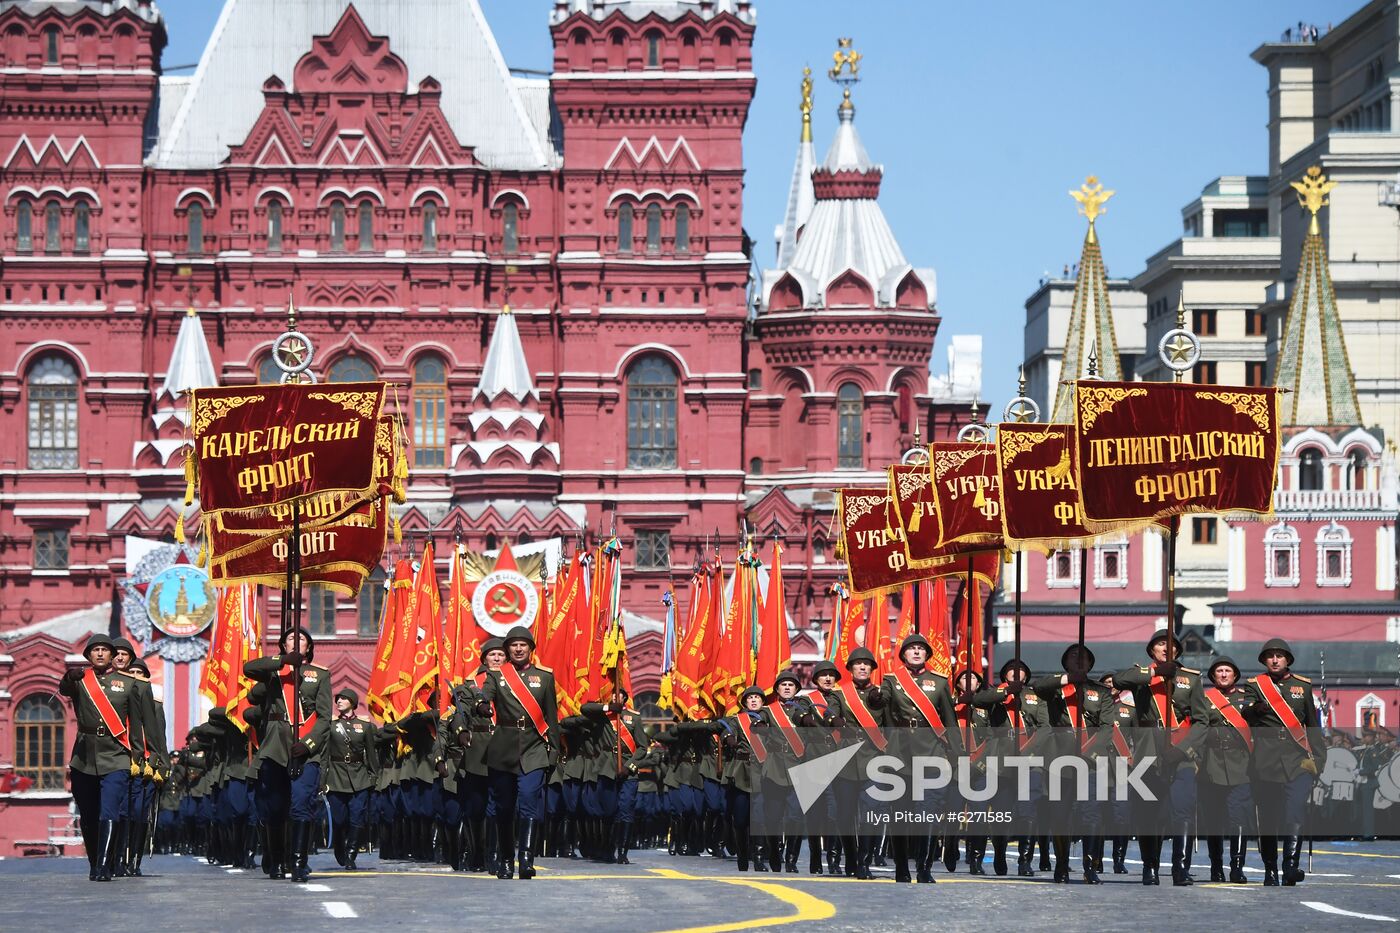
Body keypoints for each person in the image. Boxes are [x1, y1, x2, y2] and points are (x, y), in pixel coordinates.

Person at [1115, 629, 1208, 886]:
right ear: (1152, 651)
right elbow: (1120, 680)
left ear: (1177, 651)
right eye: (1159, 645)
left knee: (1183, 809)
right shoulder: (1141, 676)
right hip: (1148, 752)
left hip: (1181, 753)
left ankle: (1179, 868)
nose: (1166, 649)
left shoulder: (1191, 679)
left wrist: (1185, 749)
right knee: (1148, 813)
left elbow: (1203, 721)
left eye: (1170, 645)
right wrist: (1156, 673)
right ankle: (1150, 866)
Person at [243, 626, 333, 883]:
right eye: (290, 639)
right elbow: (248, 668)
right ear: (283, 646)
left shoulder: (320, 675)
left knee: (301, 804)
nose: (296, 641)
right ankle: (278, 860)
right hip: (274, 746)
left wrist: (309, 744)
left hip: (305, 748)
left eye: (302, 639)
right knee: (274, 807)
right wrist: (283, 662)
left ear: (309, 647)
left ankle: (298, 862)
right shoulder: (273, 672)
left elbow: (325, 717)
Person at [872, 632, 960, 883]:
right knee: (900, 813)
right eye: (912, 649)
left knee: (928, 812)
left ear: (927, 655)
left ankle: (924, 868)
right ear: (903, 654)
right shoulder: (891, 680)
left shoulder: (940, 682)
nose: (917, 652)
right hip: (900, 753)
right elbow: (881, 700)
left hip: (932, 752)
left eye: (922, 649)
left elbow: (950, 721)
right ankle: (902, 867)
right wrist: (876, 697)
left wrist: (957, 753)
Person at [477, 624, 558, 880]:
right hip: (503, 749)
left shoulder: (544, 677)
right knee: (504, 808)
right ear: (508, 649)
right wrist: (481, 706)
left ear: (531, 649)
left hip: (534, 749)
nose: (519, 648)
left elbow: (552, 717)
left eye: (524, 644)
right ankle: (504, 860)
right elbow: (485, 696)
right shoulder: (496, 676)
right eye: (514, 645)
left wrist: (554, 751)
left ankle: (526, 860)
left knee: (529, 803)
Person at [59, 633, 142, 882]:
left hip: (116, 755)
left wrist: (138, 757)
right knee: (88, 813)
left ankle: (105, 865)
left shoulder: (128, 684)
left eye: (104, 650)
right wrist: (68, 677)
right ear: (88, 655)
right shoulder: (81, 680)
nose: (100, 654)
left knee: (109, 810)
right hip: (84, 757)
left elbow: (136, 724)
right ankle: (95, 861)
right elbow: (63, 690)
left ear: (111, 654)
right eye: (94, 650)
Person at [1248, 637, 1325, 886]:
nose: (1274, 659)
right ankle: (1270, 870)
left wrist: (1319, 763)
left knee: (1295, 812)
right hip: (1265, 760)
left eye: (1279, 655)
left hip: (1297, 760)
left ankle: (1290, 866)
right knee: (1269, 819)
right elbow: (1243, 713)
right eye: (1270, 656)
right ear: (1264, 660)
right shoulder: (1255, 685)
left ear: (1287, 659)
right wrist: (1253, 710)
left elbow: (1313, 727)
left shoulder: (1302, 686)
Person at [1032, 644, 1110, 884]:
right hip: (1059, 759)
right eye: (1074, 657)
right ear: (1065, 663)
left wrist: (1092, 753)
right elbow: (1038, 686)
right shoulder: (1056, 688)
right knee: (1059, 814)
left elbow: (1107, 727)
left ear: (1090, 664)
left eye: (1084, 657)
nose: (1079, 660)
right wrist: (1067, 679)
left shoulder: (1100, 691)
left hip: (1090, 760)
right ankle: (1061, 865)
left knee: (1091, 813)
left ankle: (1089, 866)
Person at [974, 657, 1049, 876]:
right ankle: (999, 854)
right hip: (1001, 761)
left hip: (1030, 759)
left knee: (1027, 811)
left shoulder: (1036, 696)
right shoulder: (997, 695)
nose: (1016, 674)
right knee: (1001, 813)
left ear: (1027, 675)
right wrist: (1005, 692)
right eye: (1011, 671)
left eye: (1020, 671)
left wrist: (1028, 749)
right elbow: (979, 700)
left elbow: (1044, 727)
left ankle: (1025, 862)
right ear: (1004, 675)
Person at [1198, 656, 1260, 883]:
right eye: (1219, 671)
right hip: (1210, 764)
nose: (1223, 674)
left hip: (1241, 766)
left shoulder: (1247, 700)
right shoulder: (1204, 699)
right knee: (1213, 821)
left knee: (1239, 818)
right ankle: (1216, 866)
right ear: (1213, 676)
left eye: (1227, 671)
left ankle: (1236, 866)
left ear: (1235, 675)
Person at [325, 688, 378, 871]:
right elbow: (325, 754)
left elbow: (371, 754)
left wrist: (373, 777)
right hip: (336, 776)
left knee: (357, 816)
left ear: (353, 703)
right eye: (338, 699)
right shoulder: (331, 725)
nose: (339, 701)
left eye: (343, 699)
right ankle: (339, 845)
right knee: (339, 819)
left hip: (359, 777)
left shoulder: (364, 726)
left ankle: (351, 854)